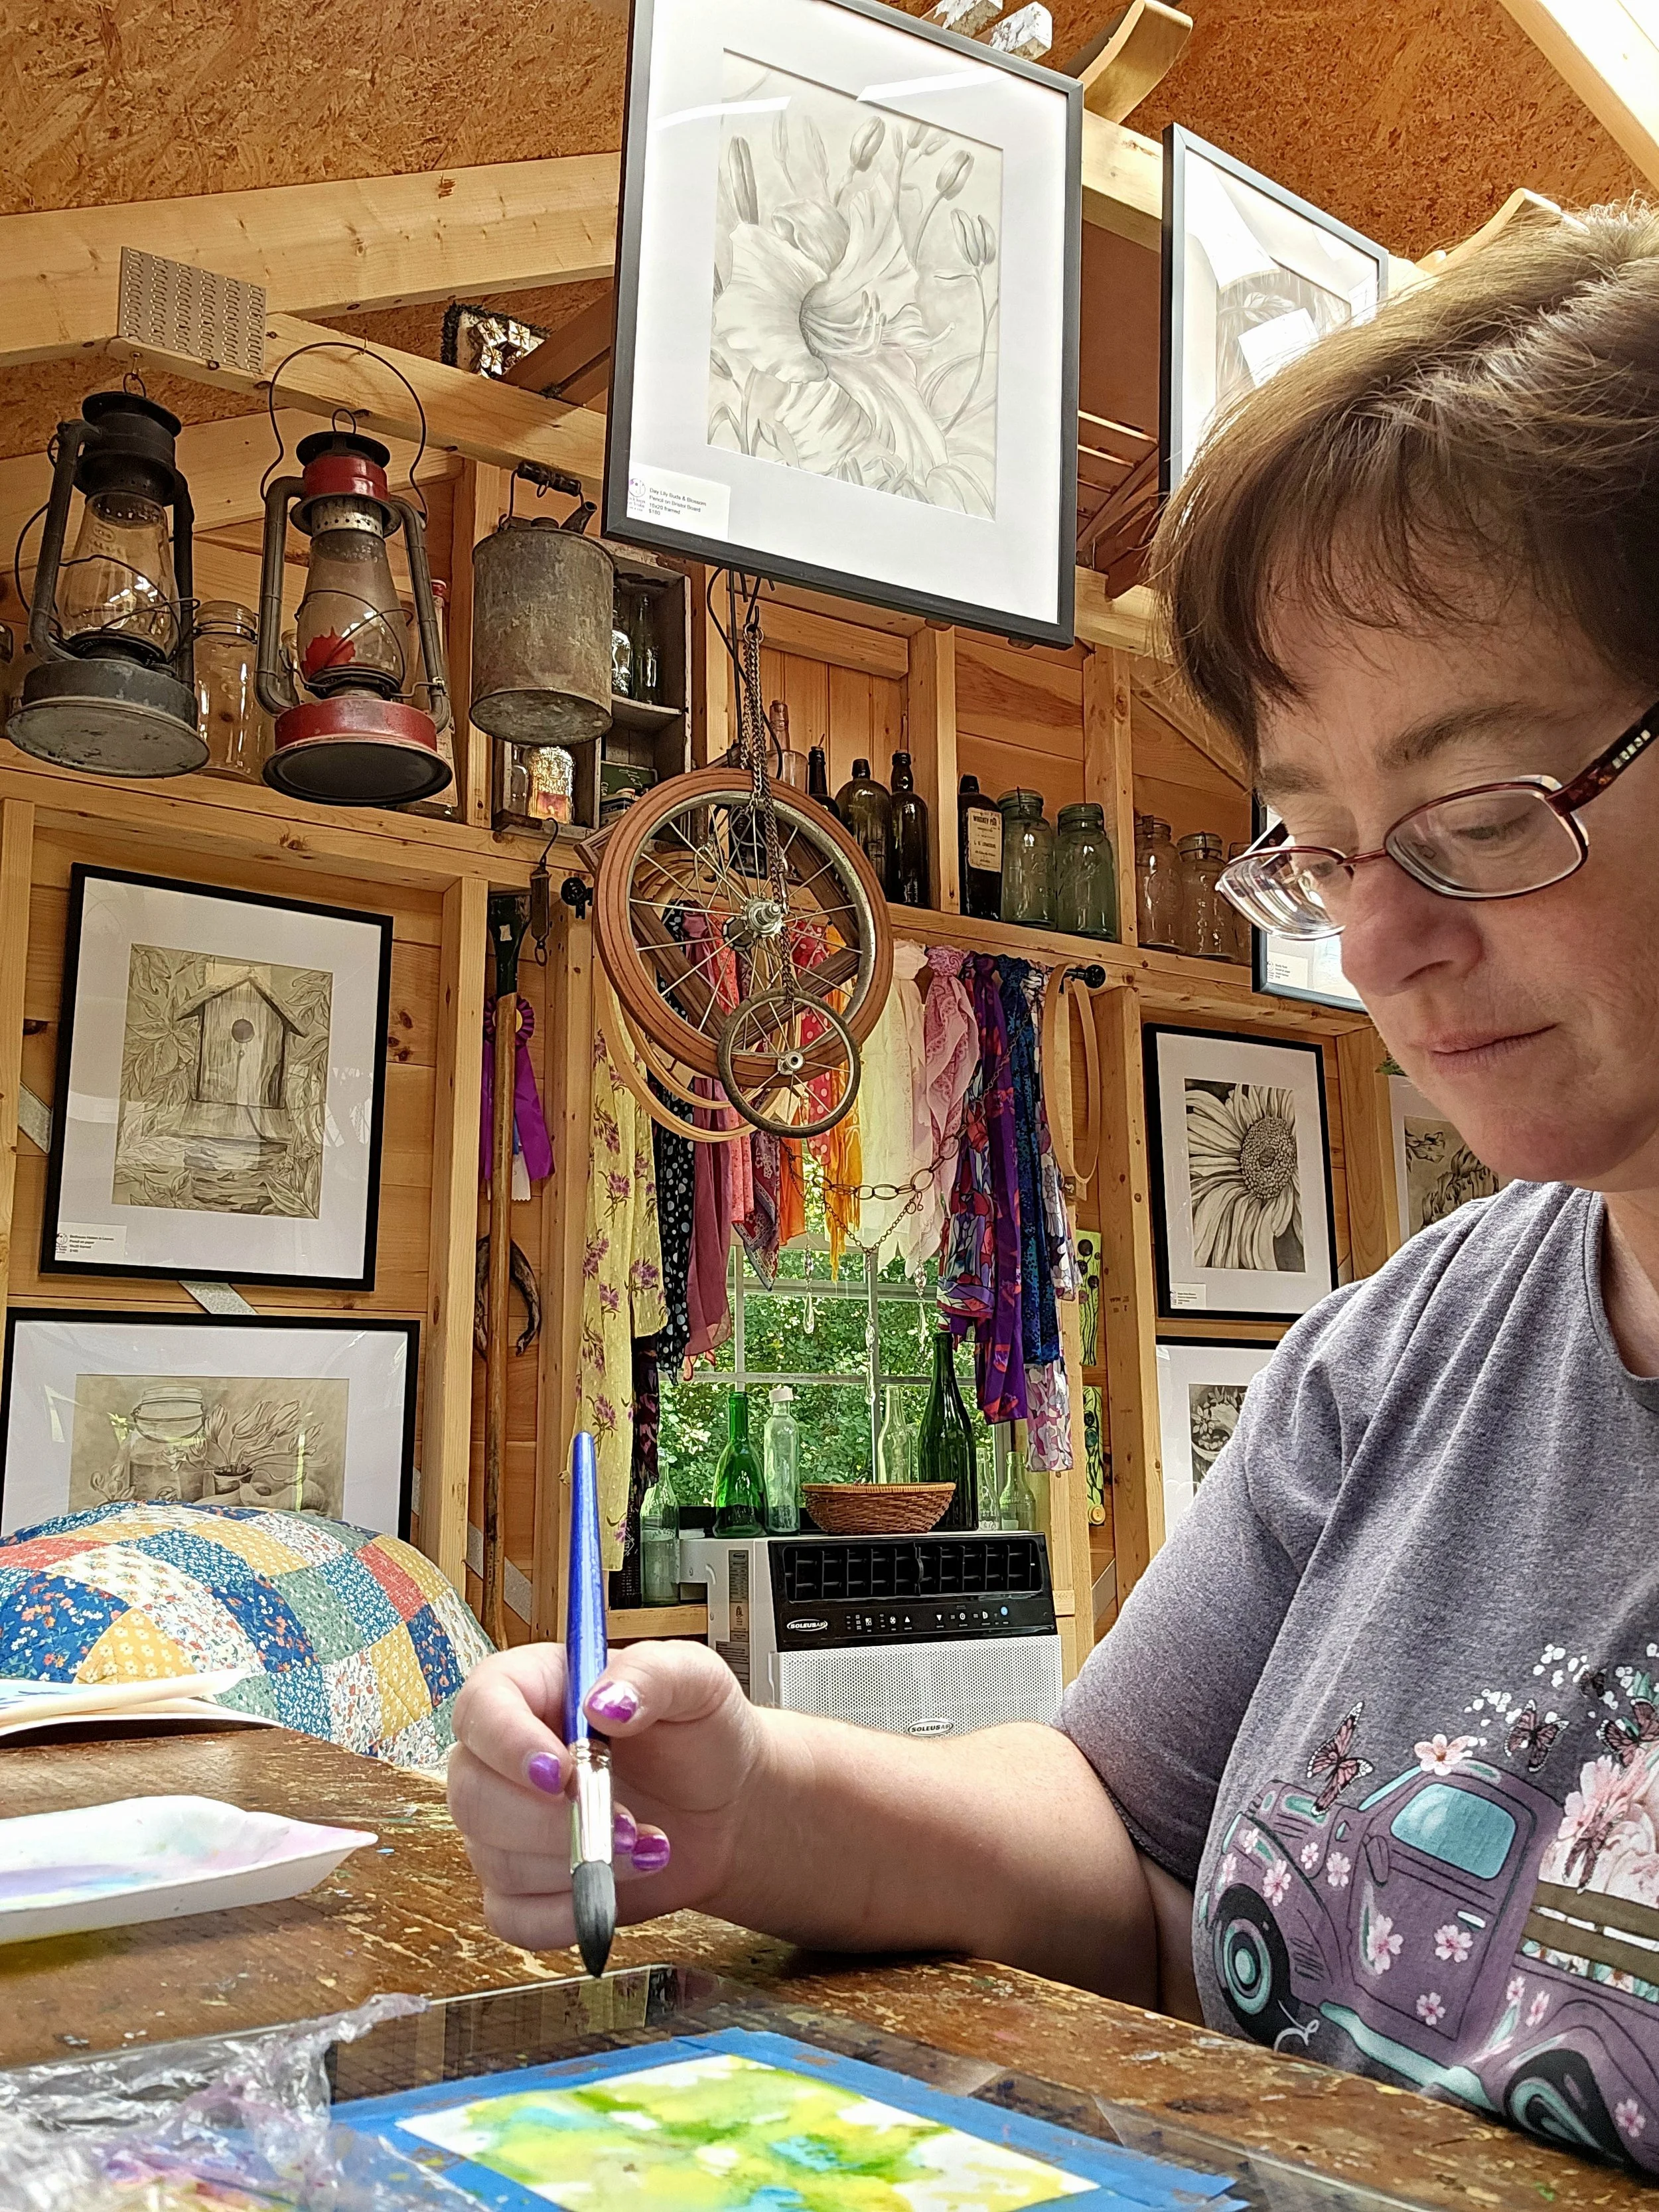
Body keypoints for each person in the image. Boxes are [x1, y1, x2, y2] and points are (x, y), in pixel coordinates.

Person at [449, 204, 1659, 2169]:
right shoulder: (1399, 1358)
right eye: (1318, 844)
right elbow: (1121, 1846)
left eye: (1472, 816)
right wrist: (739, 1794)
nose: (1378, 943)